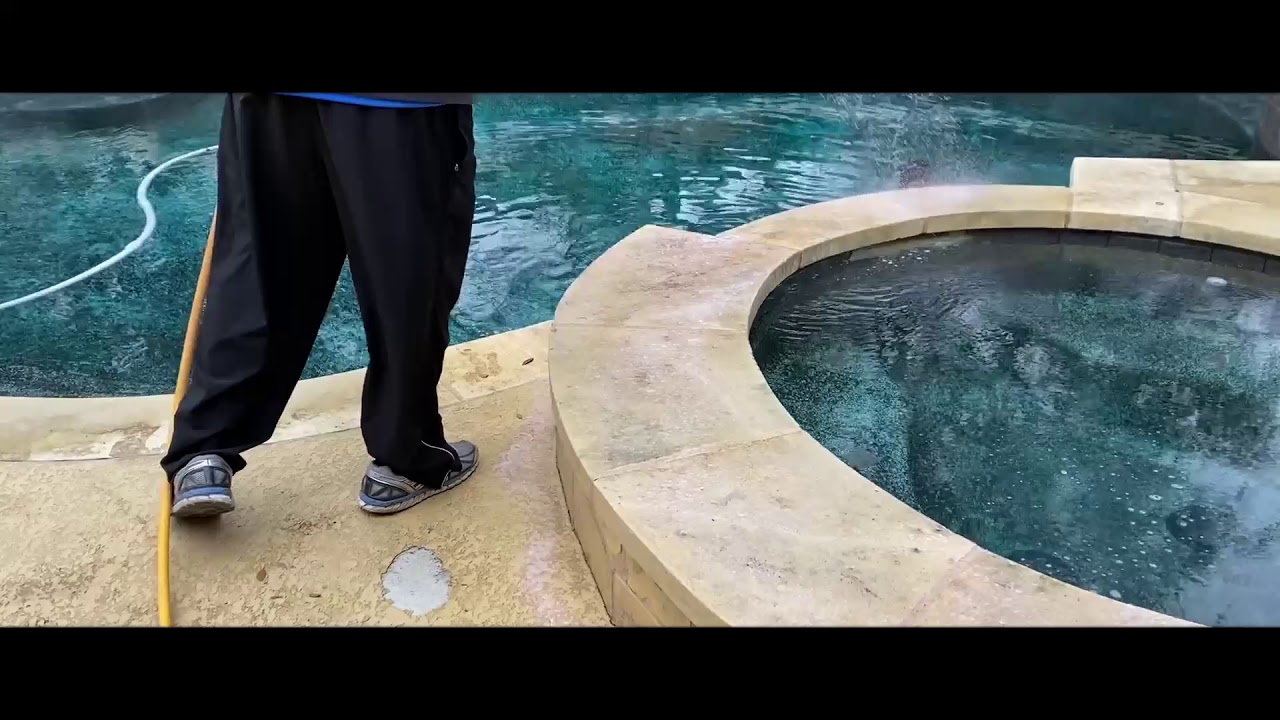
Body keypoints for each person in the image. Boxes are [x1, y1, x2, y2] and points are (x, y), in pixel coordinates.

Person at [161, 92, 478, 518]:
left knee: (257, 272)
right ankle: (405, 459)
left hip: (267, 101)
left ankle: (203, 456)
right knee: (405, 282)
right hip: (396, 106)